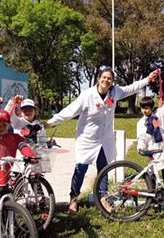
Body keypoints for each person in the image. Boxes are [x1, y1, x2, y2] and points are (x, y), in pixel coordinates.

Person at [46, 68, 158, 214]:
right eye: (104, 77)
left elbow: (132, 88)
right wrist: (50, 123)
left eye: (109, 78)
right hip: (87, 138)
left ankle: (103, 198)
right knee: (80, 169)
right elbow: (70, 110)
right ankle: (74, 199)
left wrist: (147, 80)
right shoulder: (87, 95)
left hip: (105, 139)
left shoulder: (115, 92)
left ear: (112, 81)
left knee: (104, 169)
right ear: (99, 79)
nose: (106, 80)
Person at [136, 84, 164, 201]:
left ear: (152, 108)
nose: (144, 111)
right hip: (153, 150)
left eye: (147, 108)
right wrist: (141, 147)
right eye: (142, 108)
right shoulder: (141, 123)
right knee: (152, 173)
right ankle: (151, 195)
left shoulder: (159, 115)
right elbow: (142, 137)